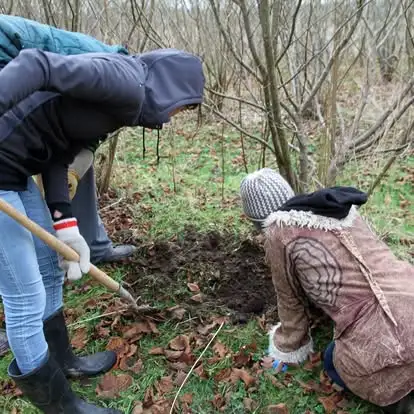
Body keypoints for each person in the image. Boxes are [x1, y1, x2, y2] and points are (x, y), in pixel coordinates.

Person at [0, 45, 205, 413]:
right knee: (25, 297)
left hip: (14, 169)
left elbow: (59, 149)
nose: (175, 117)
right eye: (184, 107)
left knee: (49, 267)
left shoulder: (123, 105)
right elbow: (36, 64)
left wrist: (64, 223)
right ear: (173, 86)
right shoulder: (124, 82)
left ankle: (63, 361)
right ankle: (63, 408)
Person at [239, 168, 414, 413]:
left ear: (255, 219)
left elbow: (290, 301)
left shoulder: (278, 233)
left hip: (383, 331)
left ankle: (405, 403)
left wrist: (286, 348)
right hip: (408, 291)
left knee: (335, 361)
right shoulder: (336, 206)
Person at [0, 13, 137, 266]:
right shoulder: (104, 70)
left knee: (64, 159)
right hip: (13, 62)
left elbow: (81, 133)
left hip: (32, 82)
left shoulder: (119, 82)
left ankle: (90, 243)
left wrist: (72, 172)